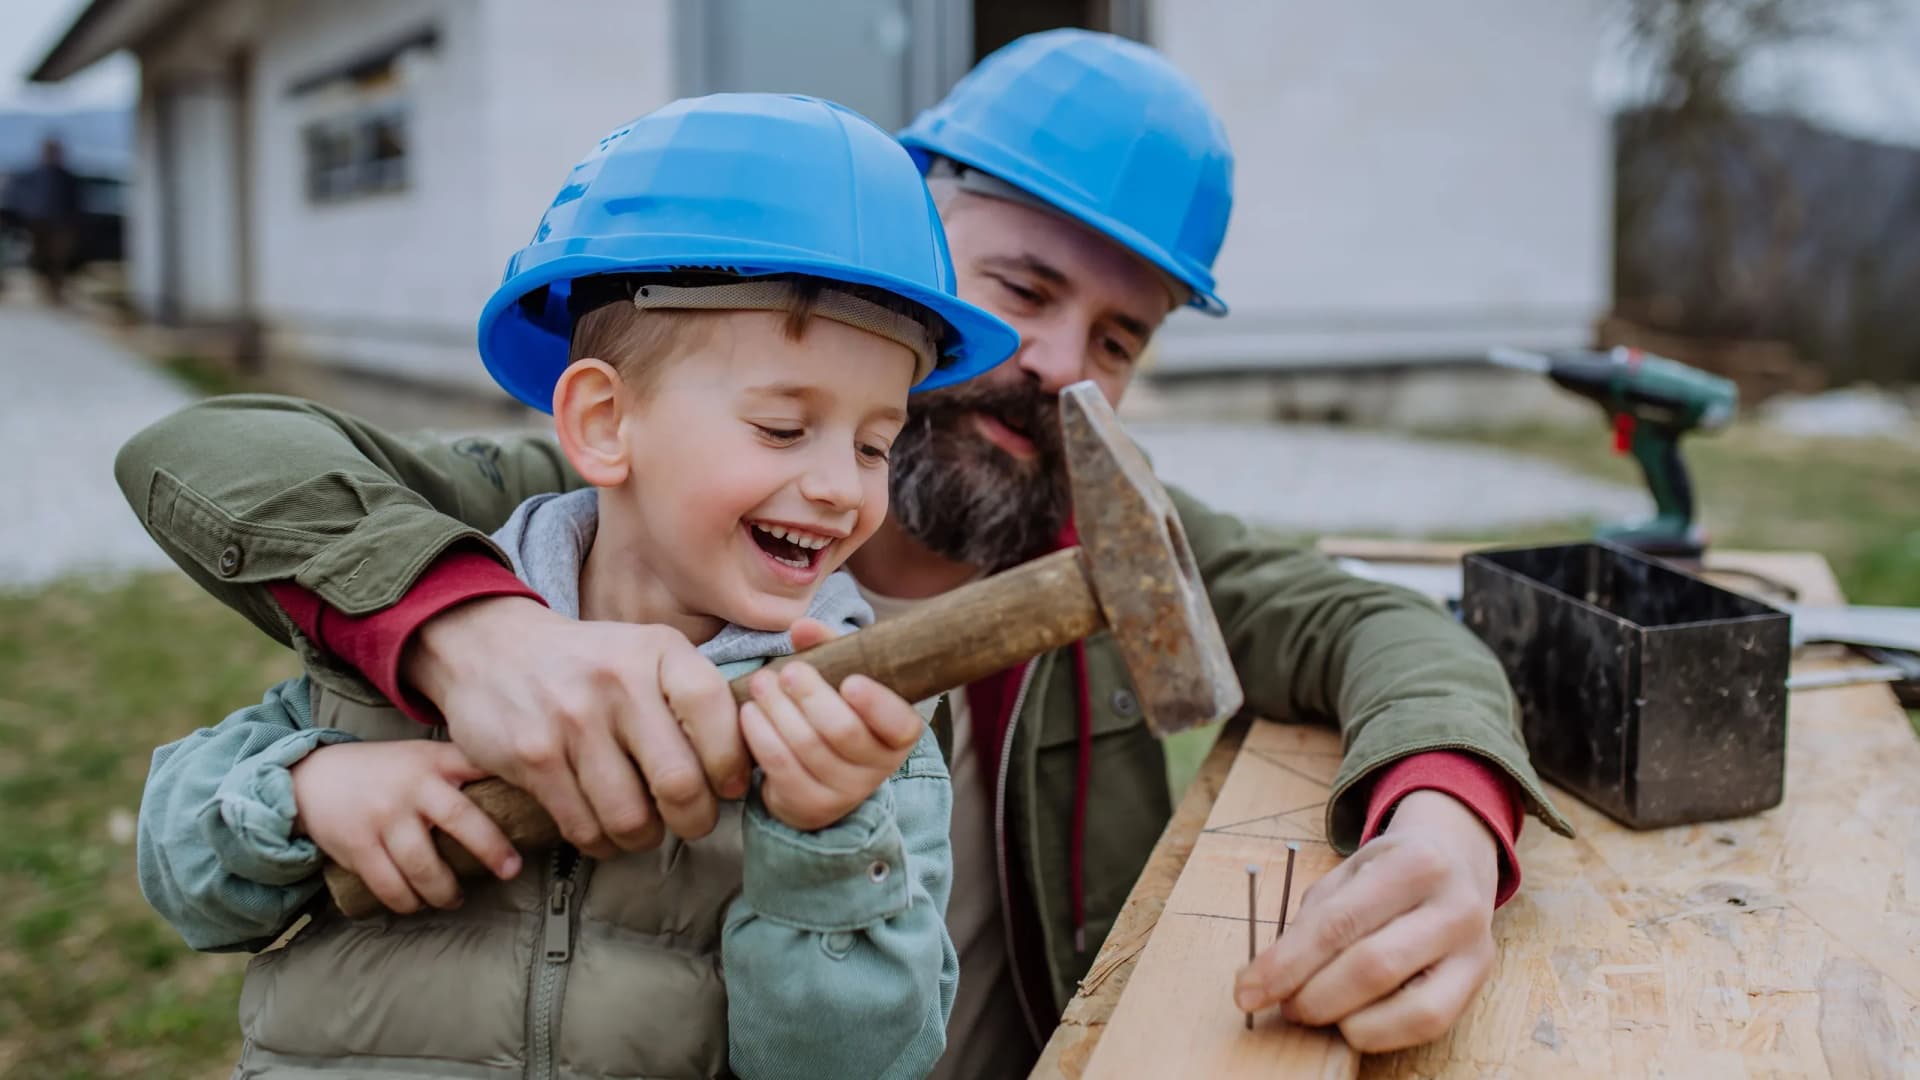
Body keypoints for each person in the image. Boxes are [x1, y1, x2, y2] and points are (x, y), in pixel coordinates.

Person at [116, 30, 1573, 1075]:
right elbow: (205, 454)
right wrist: (473, 634)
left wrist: (1445, 821)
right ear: (917, 250)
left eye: (1117, 340)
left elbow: (1380, 632)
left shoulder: (1112, 537)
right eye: (1022, 290)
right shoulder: (563, 508)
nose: (1055, 369)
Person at [133, 93, 1021, 1080]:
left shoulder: (860, 745)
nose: (835, 485)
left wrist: (826, 848)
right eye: (781, 427)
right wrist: (303, 795)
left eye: (872, 444)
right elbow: (185, 877)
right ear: (603, 423)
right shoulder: (410, 634)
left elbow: (863, 1065)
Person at [16, 136, 82, 304]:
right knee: (41, 257)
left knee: (58, 259)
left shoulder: (67, 177)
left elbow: (76, 202)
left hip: (61, 224)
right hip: (39, 223)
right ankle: (45, 289)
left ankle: (55, 291)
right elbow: (22, 198)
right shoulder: (33, 175)